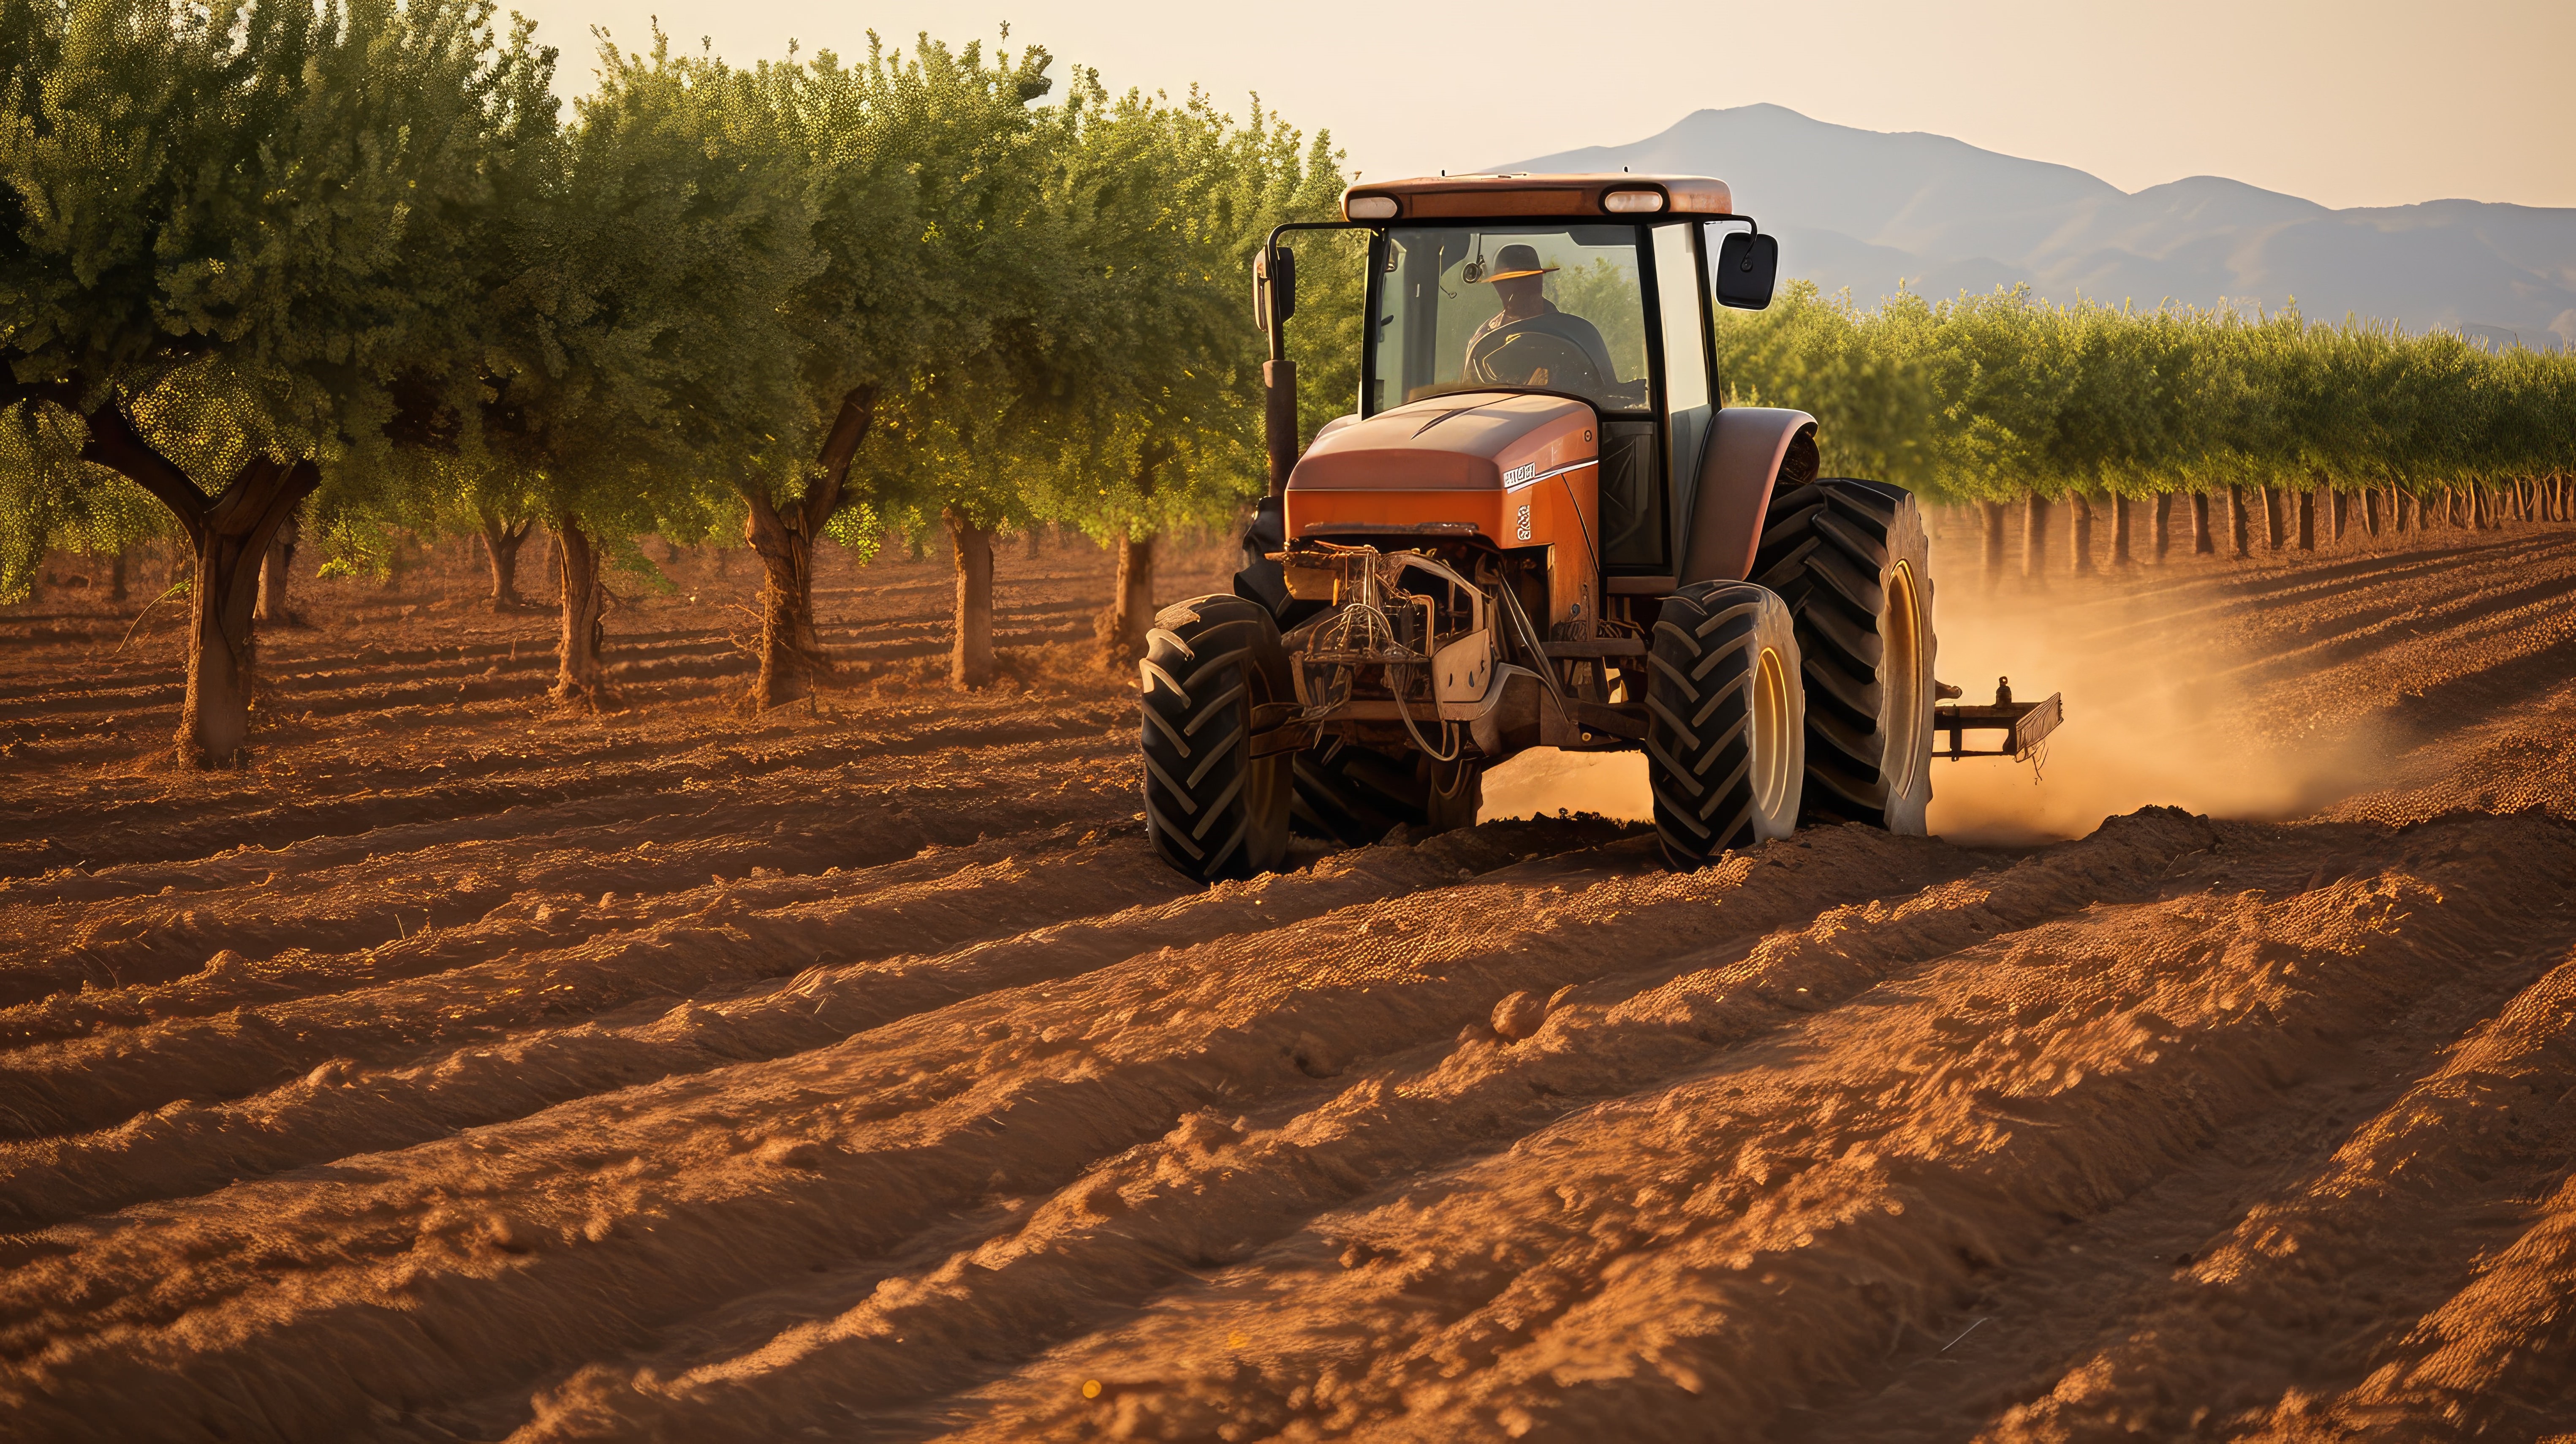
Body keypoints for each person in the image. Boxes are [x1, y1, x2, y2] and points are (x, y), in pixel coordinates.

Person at [1461, 243, 1622, 392]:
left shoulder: (1576, 334)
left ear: (1540, 280)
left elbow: (1603, 395)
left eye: (1528, 279)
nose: (1520, 287)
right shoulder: (1484, 339)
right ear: (1498, 286)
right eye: (1510, 281)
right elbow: (1470, 397)